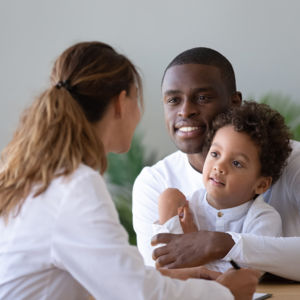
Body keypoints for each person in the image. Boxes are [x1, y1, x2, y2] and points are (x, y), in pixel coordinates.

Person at [0, 42, 260, 300]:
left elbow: (112, 278)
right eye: (138, 99)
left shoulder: (43, 177)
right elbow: (135, 294)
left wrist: (176, 278)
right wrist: (224, 293)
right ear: (121, 103)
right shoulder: (76, 186)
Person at [132, 47, 300, 281]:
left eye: (202, 98)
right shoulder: (155, 182)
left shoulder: (294, 162)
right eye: (173, 100)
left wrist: (221, 243)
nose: (186, 111)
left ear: (234, 103)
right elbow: (160, 278)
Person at [151, 101, 291, 272]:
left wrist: (192, 239)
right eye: (215, 154)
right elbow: (166, 261)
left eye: (236, 163)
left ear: (261, 184)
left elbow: (249, 271)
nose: (219, 166)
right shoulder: (188, 206)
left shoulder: (263, 219)